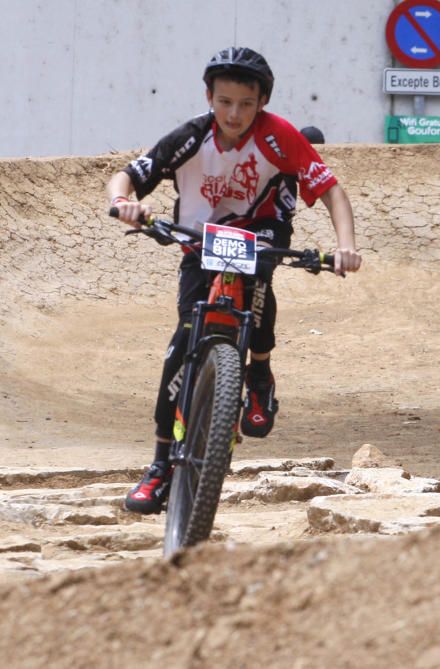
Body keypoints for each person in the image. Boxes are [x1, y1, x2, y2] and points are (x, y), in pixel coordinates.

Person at [107, 47, 362, 514]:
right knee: (179, 348)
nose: (234, 114)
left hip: (259, 231)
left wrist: (345, 246)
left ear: (262, 101)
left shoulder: (280, 137)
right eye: (224, 102)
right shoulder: (191, 135)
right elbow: (126, 177)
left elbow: (331, 191)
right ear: (209, 96)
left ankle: (258, 370)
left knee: (261, 271)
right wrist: (128, 204)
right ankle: (161, 464)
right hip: (198, 244)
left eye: (246, 104)